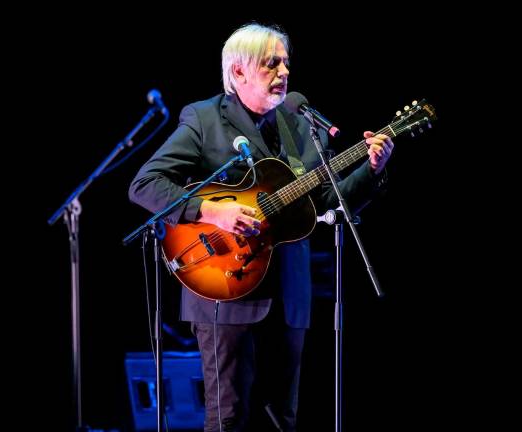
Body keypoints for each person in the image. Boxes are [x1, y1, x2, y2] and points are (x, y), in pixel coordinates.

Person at [128, 22, 393, 432]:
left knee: (281, 420)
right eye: (271, 64)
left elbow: (324, 201)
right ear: (238, 72)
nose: (284, 72)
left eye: (286, 63)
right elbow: (145, 184)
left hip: (288, 294)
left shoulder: (297, 123)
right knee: (229, 418)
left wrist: (372, 170)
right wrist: (213, 212)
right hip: (223, 288)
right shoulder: (203, 119)